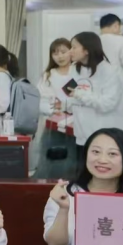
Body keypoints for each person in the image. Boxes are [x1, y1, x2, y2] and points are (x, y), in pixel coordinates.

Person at [68, 32, 123, 154]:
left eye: (74, 47)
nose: (70, 51)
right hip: (81, 136)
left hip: (105, 136)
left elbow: (107, 104)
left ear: (87, 50)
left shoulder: (110, 71)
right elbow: (71, 95)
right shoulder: (74, 69)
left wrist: (80, 94)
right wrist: (65, 104)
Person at [36, 38, 78, 179]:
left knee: (74, 161)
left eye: (63, 52)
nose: (60, 56)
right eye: (55, 53)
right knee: (52, 163)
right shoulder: (48, 75)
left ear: (71, 52)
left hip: (77, 125)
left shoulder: (79, 72)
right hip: (54, 125)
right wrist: (53, 108)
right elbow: (41, 100)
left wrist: (66, 104)